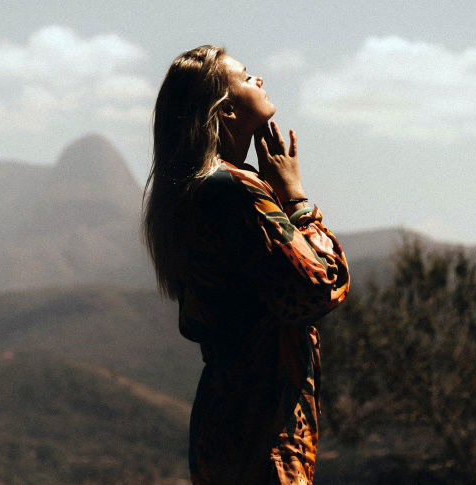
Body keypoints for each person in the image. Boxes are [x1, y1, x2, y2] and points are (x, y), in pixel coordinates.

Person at [142, 45, 350, 484]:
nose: (258, 79)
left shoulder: (195, 193)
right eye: (245, 76)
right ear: (226, 110)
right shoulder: (234, 192)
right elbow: (321, 287)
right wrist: (294, 198)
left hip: (226, 425)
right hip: (262, 428)